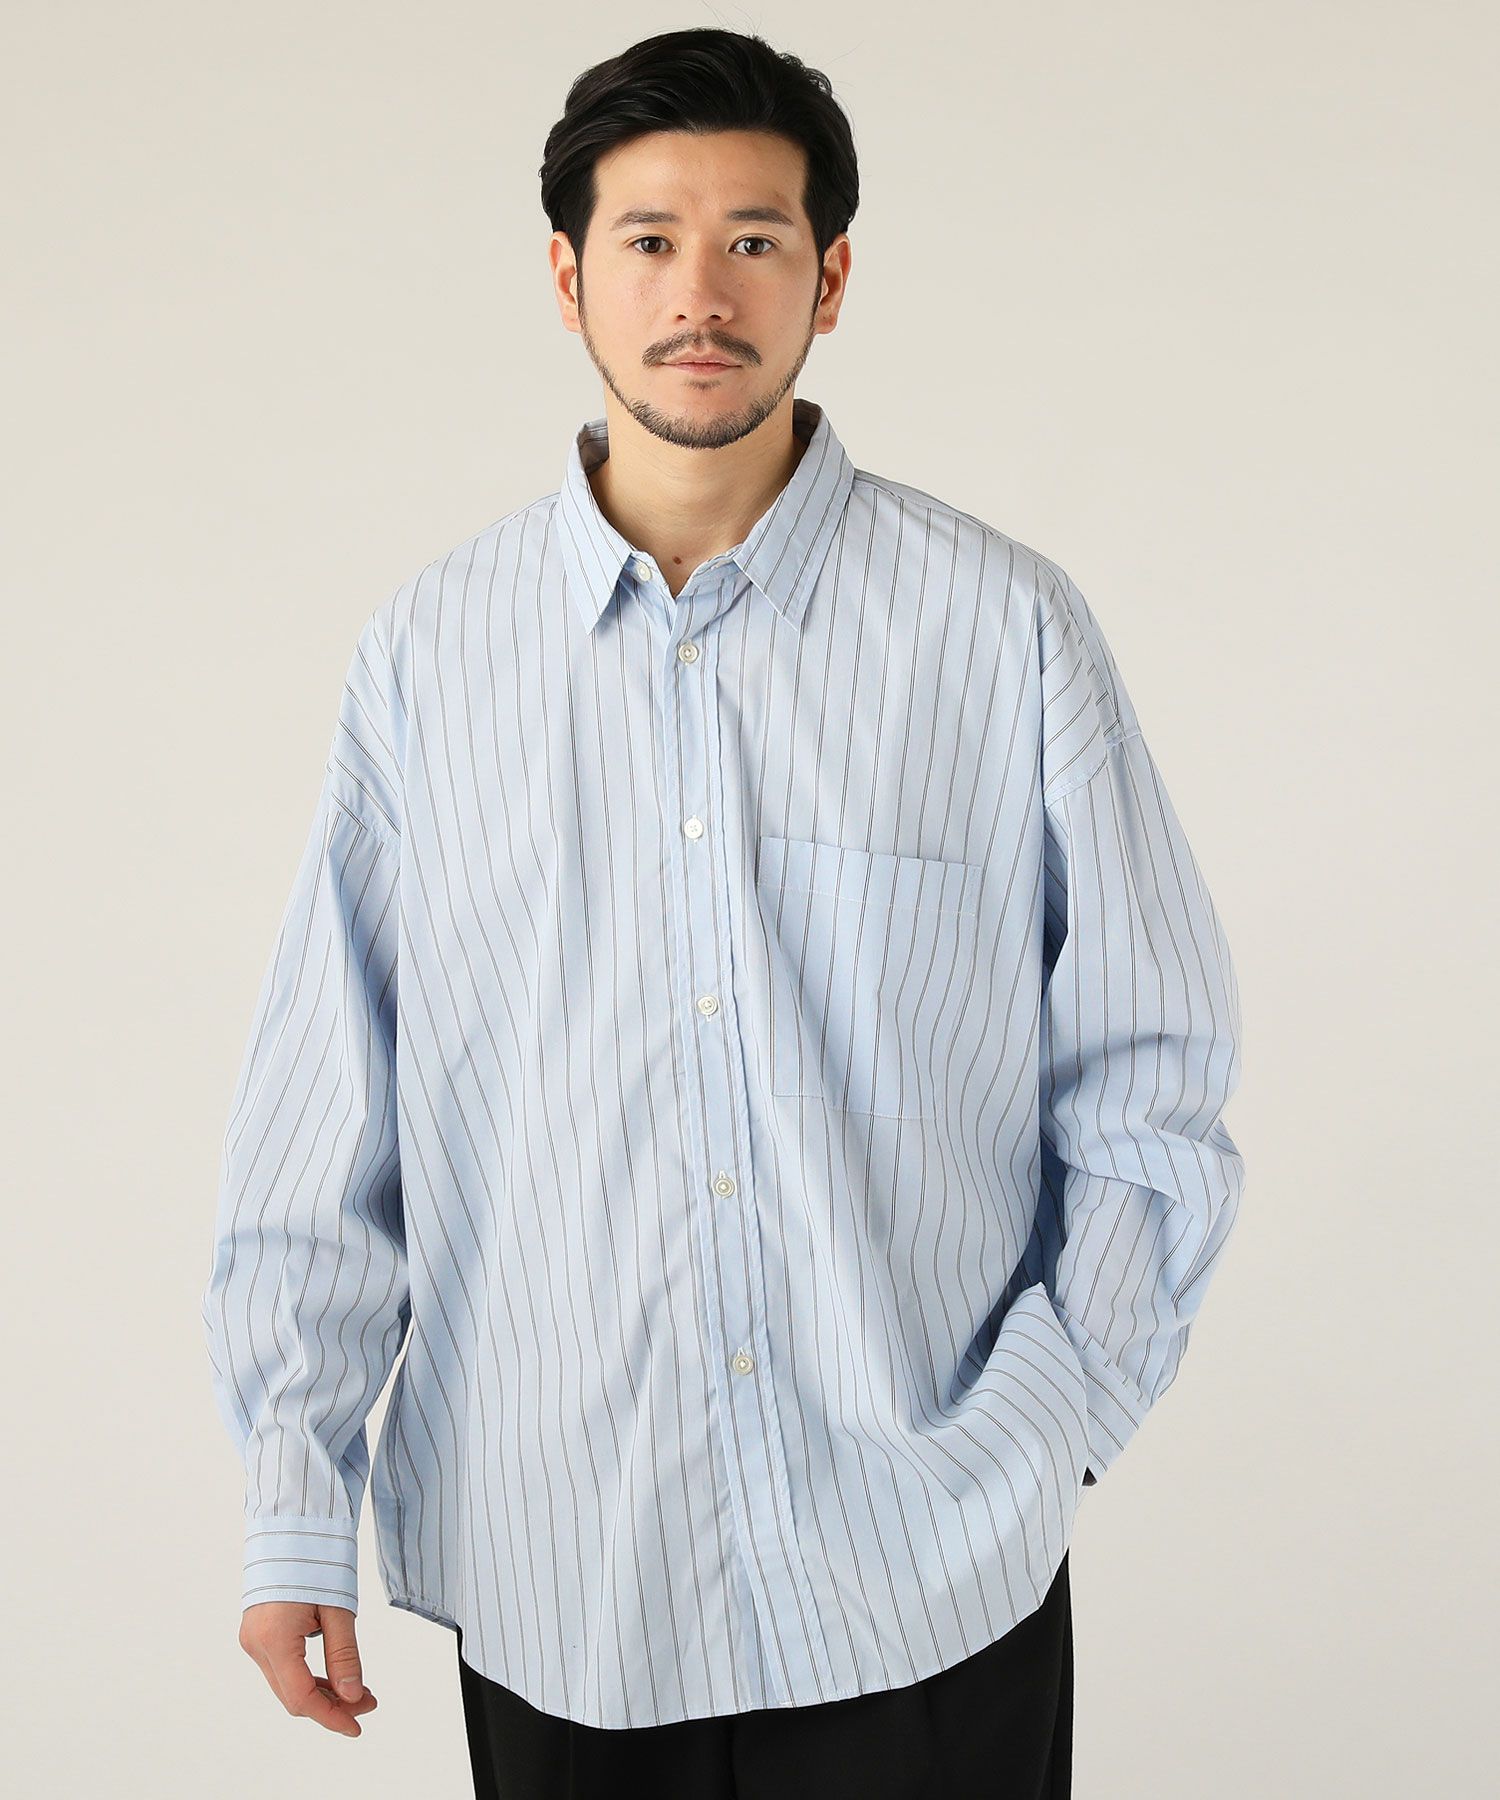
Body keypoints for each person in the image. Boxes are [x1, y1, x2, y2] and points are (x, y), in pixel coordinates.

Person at [200, 26, 1245, 1798]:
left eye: (756, 239)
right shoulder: (431, 661)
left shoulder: (1001, 632)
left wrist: (1054, 1420)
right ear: (568, 278)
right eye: (650, 240)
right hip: (563, 1575)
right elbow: (327, 1113)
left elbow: (1149, 1072)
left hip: (927, 1580)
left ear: (829, 279)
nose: (702, 292)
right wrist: (296, 1499)